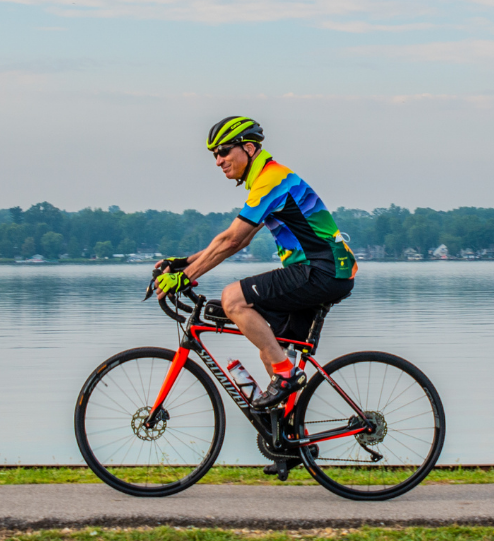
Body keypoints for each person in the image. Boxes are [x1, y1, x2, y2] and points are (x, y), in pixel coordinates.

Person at [152, 115, 358, 420]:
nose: (218, 160)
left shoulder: (271, 180)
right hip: (326, 271)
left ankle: (285, 376)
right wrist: (184, 262)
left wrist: (183, 278)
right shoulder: (268, 181)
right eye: (214, 155)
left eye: (223, 151)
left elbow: (231, 241)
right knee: (270, 347)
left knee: (233, 298)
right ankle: (291, 436)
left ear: (248, 148)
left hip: (321, 269)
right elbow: (243, 239)